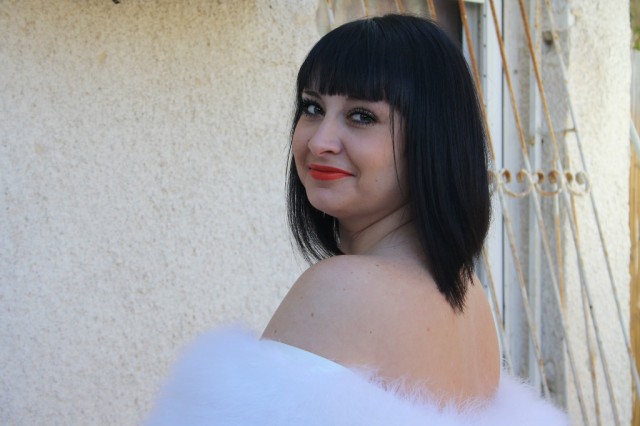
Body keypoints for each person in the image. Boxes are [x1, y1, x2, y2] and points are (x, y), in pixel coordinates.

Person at [145, 14, 568, 425]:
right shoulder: (467, 293)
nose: (320, 141)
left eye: (361, 116)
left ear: (430, 140)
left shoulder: (344, 286)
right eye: (312, 107)